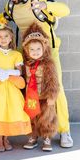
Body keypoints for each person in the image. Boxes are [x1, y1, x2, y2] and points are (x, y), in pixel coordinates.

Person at [0, 0, 73, 148]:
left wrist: (45, 5)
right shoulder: (12, 5)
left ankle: (64, 130)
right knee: (29, 92)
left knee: (56, 90)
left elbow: (65, 10)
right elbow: (3, 17)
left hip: (48, 54)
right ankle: (35, 132)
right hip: (27, 55)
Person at [0, 17, 31, 152]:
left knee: (11, 110)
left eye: (6, 36)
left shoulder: (16, 54)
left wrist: (7, 73)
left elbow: (18, 72)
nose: (3, 39)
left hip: (11, 86)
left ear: (11, 38)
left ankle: (6, 138)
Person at [22, 22, 59, 151]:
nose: (35, 52)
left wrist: (52, 96)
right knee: (32, 116)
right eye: (32, 49)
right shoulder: (25, 64)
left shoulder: (48, 64)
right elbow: (22, 79)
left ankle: (47, 137)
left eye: (38, 49)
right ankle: (33, 136)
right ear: (27, 50)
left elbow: (53, 81)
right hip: (31, 97)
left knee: (46, 117)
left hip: (44, 97)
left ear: (44, 48)